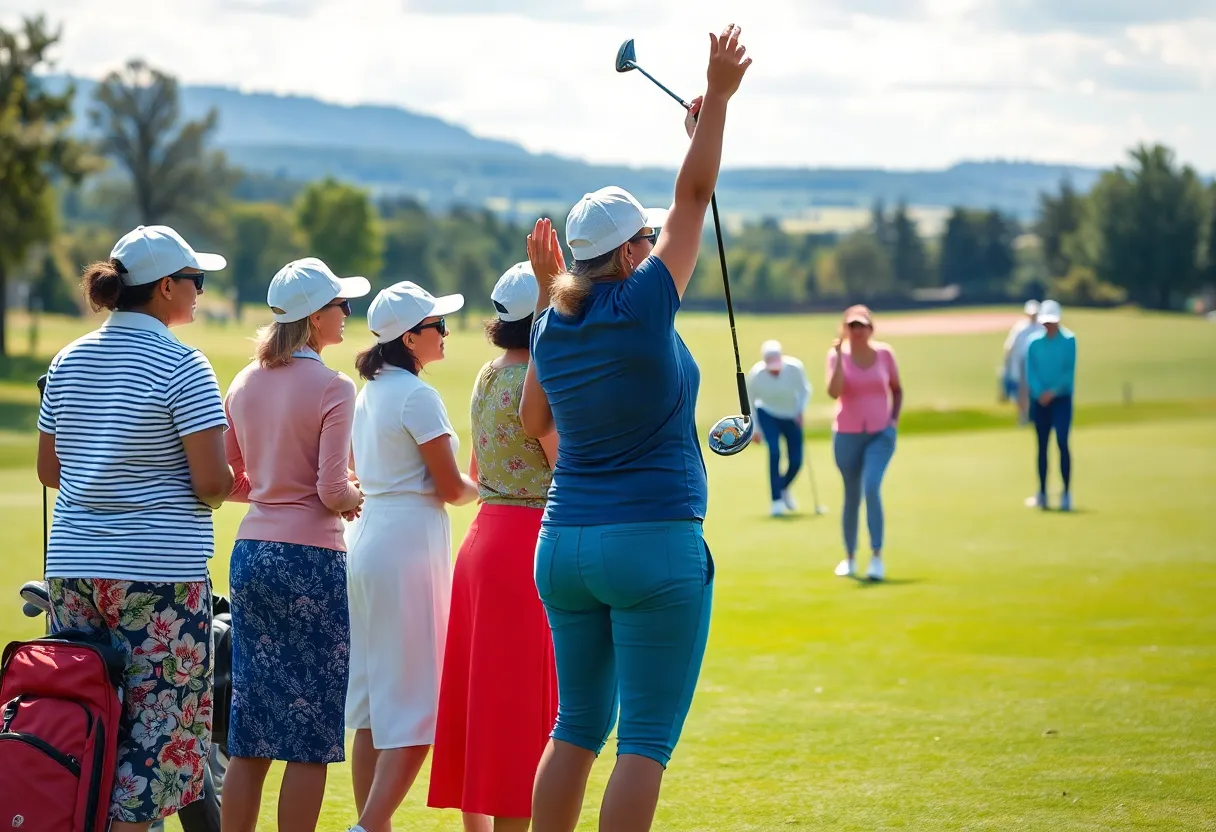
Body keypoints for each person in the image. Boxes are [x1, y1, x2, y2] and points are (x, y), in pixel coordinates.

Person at [518, 24, 752, 832]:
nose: (658, 246)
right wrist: (716, 102)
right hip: (652, 541)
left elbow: (532, 418)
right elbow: (692, 199)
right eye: (645, 241)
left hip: (564, 543)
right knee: (644, 740)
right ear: (626, 256)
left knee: (575, 727)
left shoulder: (550, 323)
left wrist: (702, 137)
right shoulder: (647, 301)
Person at [35, 225, 232, 832]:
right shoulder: (184, 363)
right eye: (195, 281)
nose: (200, 290)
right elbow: (209, 483)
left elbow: (50, 470)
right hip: (159, 581)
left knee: (85, 722)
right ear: (166, 286)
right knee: (160, 743)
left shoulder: (68, 358)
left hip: (72, 571)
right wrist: (228, 476)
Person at [220, 257, 369, 832]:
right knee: (309, 733)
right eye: (339, 306)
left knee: (252, 724)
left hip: (253, 553)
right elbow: (332, 489)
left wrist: (271, 489)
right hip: (311, 560)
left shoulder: (243, 382)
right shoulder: (334, 386)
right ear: (312, 319)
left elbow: (232, 478)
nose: (346, 314)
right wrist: (353, 496)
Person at [428, 262, 559, 832]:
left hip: (485, 538)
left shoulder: (487, 373)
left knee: (485, 701)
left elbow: (481, 468)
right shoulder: (542, 376)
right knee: (519, 708)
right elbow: (565, 468)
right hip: (525, 545)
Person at [344, 281, 478, 832]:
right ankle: (370, 826)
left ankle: (370, 824)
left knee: (374, 706)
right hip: (406, 545)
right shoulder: (417, 396)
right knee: (422, 704)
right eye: (436, 326)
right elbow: (450, 487)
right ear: (409, 337)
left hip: (370, 538)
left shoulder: (368, 391)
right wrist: (489, 486)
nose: (445, 334)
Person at [826, 304, 903, 582]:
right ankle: (849, 557)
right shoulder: (837, 356)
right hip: (846, 434)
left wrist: (893, 424)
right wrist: (837, 356)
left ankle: (876, 557)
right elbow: (834, 392)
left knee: (871, 487)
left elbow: (897, 389)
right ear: (845, 329)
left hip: (880, 434)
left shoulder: (885, 354)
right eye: (852, 326)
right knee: (851, 495)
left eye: (862, 326)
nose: (858, 331)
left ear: (871, 329)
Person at [746, 339, 811, 516]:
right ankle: (776, 501)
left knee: (796, 461)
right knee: (774, 451)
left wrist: (800, 411)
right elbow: (750, 404)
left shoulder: (795, 367)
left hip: (791, 415)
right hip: (767, 413)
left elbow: (805, 391)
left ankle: (783, 488)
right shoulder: (756, 375)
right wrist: (755, 429)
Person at [1024, 299, 1077, 512]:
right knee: (1042, 445)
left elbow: (1068, 373)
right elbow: (1031, 373)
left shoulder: (1069, 340)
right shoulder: (1033, 343)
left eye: (1052, 322)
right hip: (1040, 400)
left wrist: (1052, 391)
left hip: (1062, 398)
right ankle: (1042, 493)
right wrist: (1040, 392)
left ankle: (1065, 493)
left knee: (1062, 441)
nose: (1049, 326)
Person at [1003, 300, 1042, 423]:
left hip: (1037, 366)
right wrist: (1007, 365)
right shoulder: (1020, 328)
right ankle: (1023, 417)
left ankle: (1034, 417)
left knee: (1036, 393)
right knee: (1022, 393)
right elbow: (1010, 347)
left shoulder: (1042, 328)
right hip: (1021, 365)